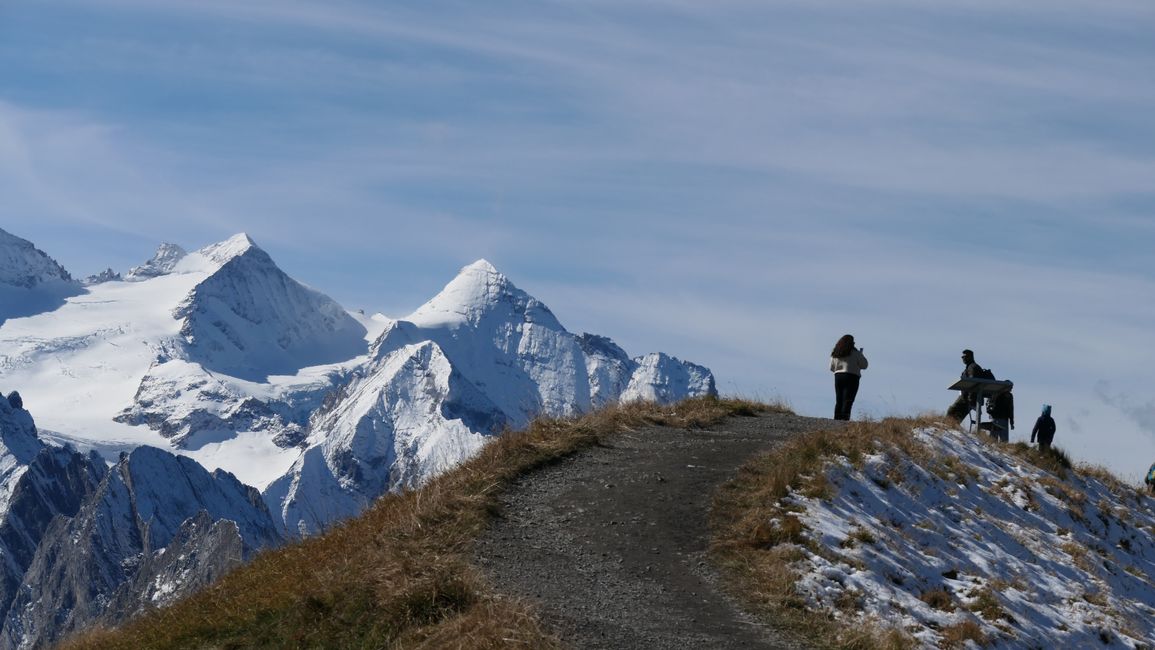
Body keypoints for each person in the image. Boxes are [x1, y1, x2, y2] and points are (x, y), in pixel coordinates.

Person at [829, 334, 868, 421]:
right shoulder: (856, 353)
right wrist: (861, 355)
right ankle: (844, 420)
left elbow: (831, 367)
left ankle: (836, 420)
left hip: (838, 376)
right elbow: (864, 365)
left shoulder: (836, 353)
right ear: (851, 343)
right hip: (852, 377)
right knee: (848, 401)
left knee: (839, 400)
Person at [947, 349, 983, 422]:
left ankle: (947, 427)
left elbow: (973, 383)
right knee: (958, 416)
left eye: (964, 357)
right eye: (962, 357)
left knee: (951, 411)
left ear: (970, 357)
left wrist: (970, 399)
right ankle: (951, 428)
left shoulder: (972, 367)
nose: (963, 358)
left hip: (967, 398)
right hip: (967, 397)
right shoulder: (970, 367)